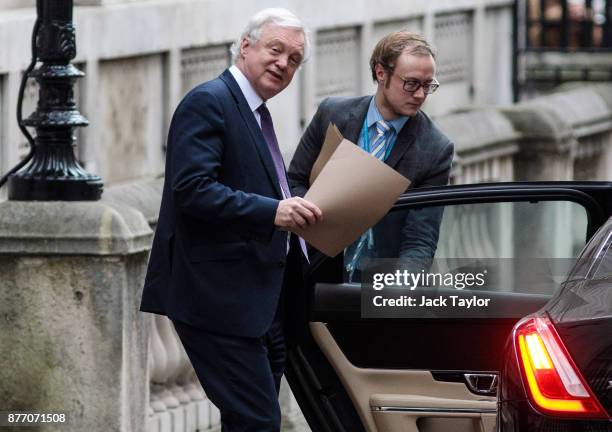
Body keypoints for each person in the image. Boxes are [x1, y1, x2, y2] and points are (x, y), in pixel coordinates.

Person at [140, 8, 322, 431]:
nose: (283, 64)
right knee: (258, 422)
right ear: (245, 46)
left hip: (262, 300)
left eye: (293, 60)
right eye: (275, 50)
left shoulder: (254, 110)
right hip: (217, 299)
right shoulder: (208, 102)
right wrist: (274, 211)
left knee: (249, 422)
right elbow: (191, 190)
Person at [288, 31, 453, 280]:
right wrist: (316, 220)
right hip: (313, 270)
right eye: (411, 83)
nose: (420, 95)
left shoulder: (435, 148)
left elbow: (420, 239)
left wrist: (397, 293)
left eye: (428, 85)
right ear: (380, 73)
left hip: (379, 285)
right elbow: (295, 181)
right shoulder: (331, 114)